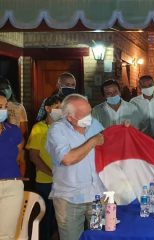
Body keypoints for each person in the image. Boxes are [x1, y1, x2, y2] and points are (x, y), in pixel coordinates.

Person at [46, 94, 105, 240]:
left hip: (97, 196)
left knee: (100, 237)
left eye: (89, 112)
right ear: (70, 117)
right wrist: (92, 141)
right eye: (84, 115)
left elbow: (109, 143)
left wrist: (124, 129)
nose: (89, 117)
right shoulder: (57, 130)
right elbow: (67, 158)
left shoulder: (95, 124)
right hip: (70, 199)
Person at [26, 94, 62, 240]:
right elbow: (34, 156)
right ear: (48, 108)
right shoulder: (39, 128)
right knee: (45, 217)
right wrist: (52, 173)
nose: (61, 111)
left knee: (59, 219)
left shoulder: (64, 128)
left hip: (63, 182)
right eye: (57, 108)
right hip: (45, 181)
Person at [0, 92, 24, 240]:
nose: (3, 110)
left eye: (4, 107)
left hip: (12, 185)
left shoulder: (13, 130)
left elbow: (19, 156)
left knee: (6, 234)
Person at [0, 76, 28, 175]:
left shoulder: (18, 107)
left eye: (6, 107)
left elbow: (24, 128)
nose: (4, 110)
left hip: (13, 138)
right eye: (0, 107)